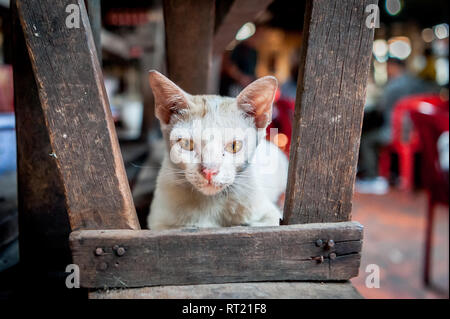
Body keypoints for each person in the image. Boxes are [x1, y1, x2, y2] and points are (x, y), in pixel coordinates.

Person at [356, 57, 436, 194]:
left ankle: (372, 178)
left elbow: (380, 109)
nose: (387, 70)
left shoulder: (393, 86)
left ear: (393, 67)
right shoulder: (417, 83)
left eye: (388, 67)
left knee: (366, 140)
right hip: (417, 132)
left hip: (396, 132)